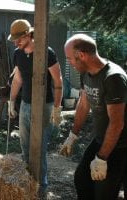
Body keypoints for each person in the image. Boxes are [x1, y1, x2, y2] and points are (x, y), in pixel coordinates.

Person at [60, 33, 127, 200]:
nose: (69, 63)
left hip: (120, 146)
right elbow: (84, 104)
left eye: (70, 58)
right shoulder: (86, 73)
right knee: (81, 179)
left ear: (81, 55)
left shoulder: (113, 78)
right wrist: (72, 135)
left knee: (103, 193)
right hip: (100, 139)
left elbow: (117, 123)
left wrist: (102, 158)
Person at [7, 19, 63, 195]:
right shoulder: (18, 53)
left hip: (44, 106)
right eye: (15, 40)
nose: (16, 43)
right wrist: (11, 101)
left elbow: (58, 81)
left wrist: (56, 107)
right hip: (25, 104)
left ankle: (41, 191)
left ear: (28, 35)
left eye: (19, 39)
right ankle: (27, 185)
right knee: (25, 147)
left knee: (38, 150)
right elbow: (18, 79)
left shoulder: (47, 53)